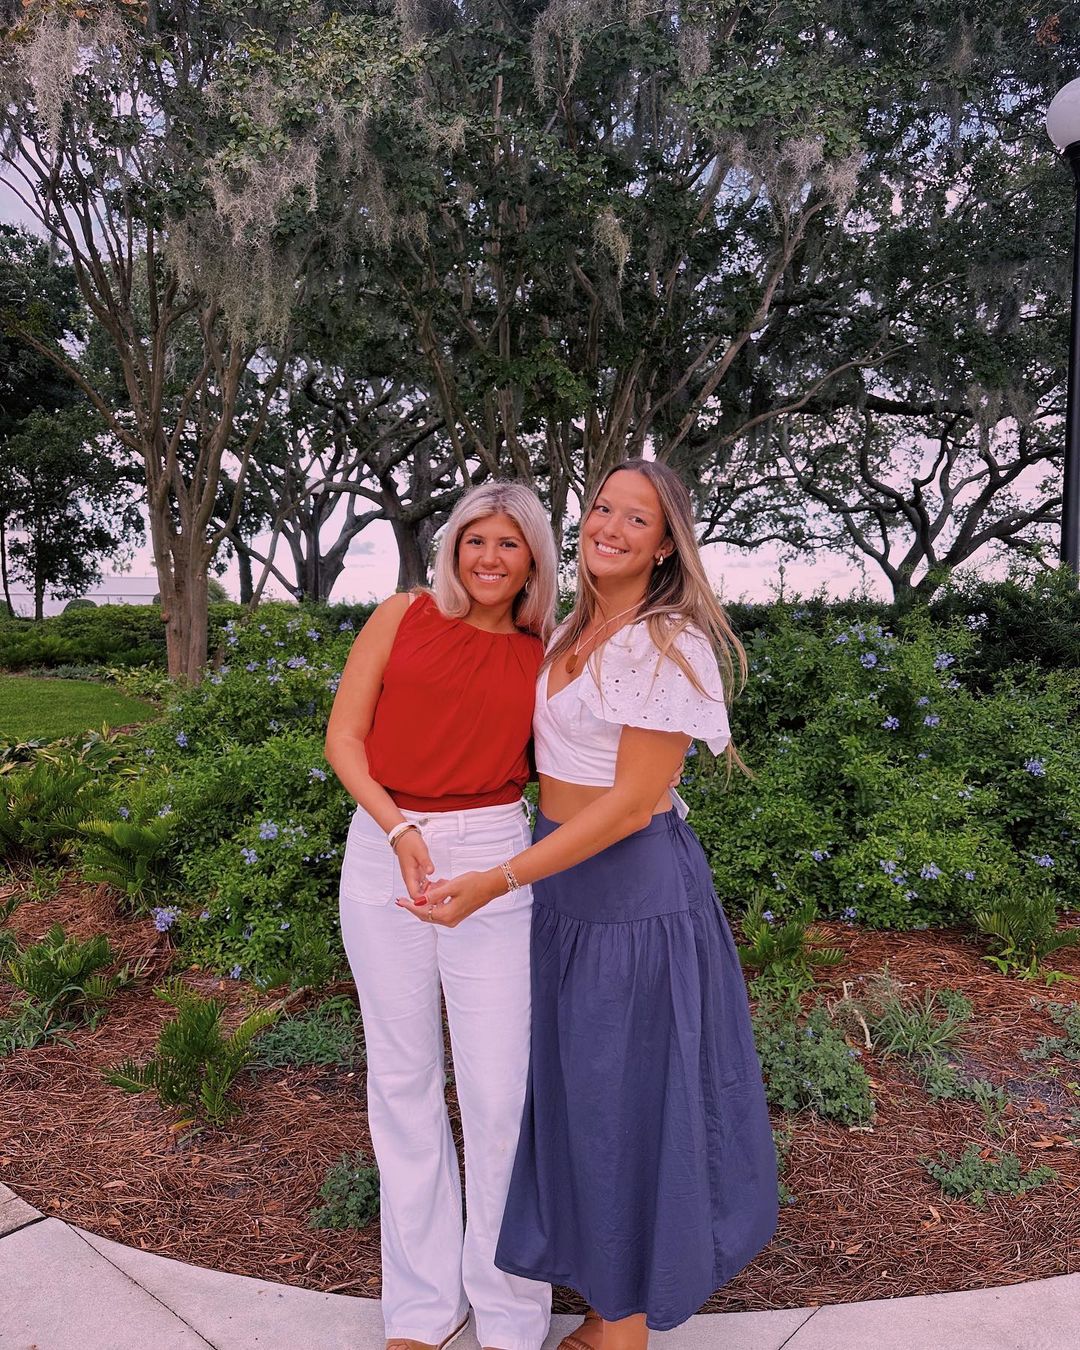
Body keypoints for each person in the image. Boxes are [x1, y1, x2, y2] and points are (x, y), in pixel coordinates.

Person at [401, 460, 778, 1350]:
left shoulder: (665, 643)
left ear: (666, 545)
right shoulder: (568, 627)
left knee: (634, 1100)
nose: (609, 526)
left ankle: (626, 1326)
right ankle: (611, 1305)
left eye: (636, 518)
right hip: (564, 887)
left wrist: (499, 879)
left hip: (633, 894)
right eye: (602, 507)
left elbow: (631, 803)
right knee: (585, 1098)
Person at [325, 482, 557, 1350]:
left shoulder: (547, 651)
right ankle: (423, 1307)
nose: (489, 558)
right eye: (474, 541)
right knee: (403, 1082)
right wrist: (399, 828)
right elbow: (345, 738)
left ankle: (509, 1313)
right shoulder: (402, 615)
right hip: (386, 845)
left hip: (494, 854)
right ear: (453, 549)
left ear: (533, 560)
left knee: (499, 1097)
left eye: (509, 543)